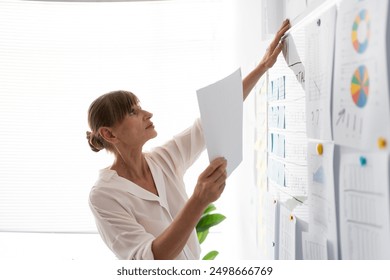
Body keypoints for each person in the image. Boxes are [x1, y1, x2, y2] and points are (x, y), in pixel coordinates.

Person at [86, 19, 290, 260]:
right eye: (133, 112)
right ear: (109, 134)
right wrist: (199, 199)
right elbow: (150, 261)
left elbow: (210, 121)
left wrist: (263, 66)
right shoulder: (104, 195)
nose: (147, 114)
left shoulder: (163, 159)